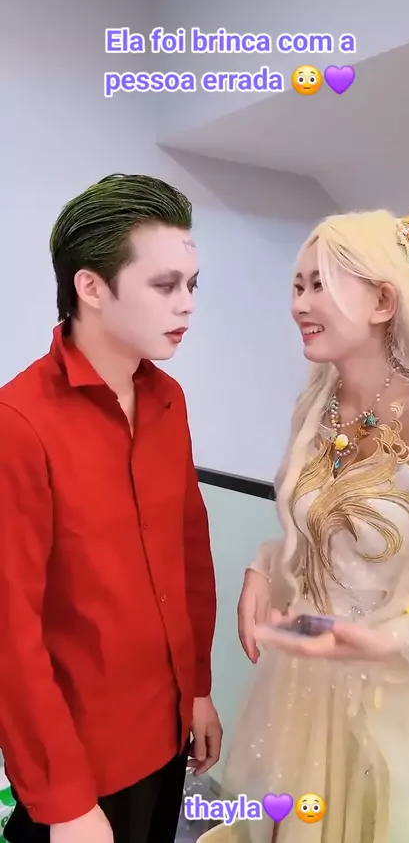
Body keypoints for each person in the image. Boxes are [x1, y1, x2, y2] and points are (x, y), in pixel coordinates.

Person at [200, 209, 409, 842]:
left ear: (383, 301)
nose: (300, 304)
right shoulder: (319, 408)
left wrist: (391, 639)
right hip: (304, 688)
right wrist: (264, 566)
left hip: (389, 699)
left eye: (320, 284)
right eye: (297, 286)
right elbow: (328, 536)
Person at [0, 174, 222, 843]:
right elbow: (11, 632)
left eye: (192, 284)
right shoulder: (19, 423)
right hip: (81, 760)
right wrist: (65, 801)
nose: (187, 304)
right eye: (164, 285)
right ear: (91, 287)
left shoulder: (167, 399)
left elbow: (189, 551)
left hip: (167, 731)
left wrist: (198, 688)